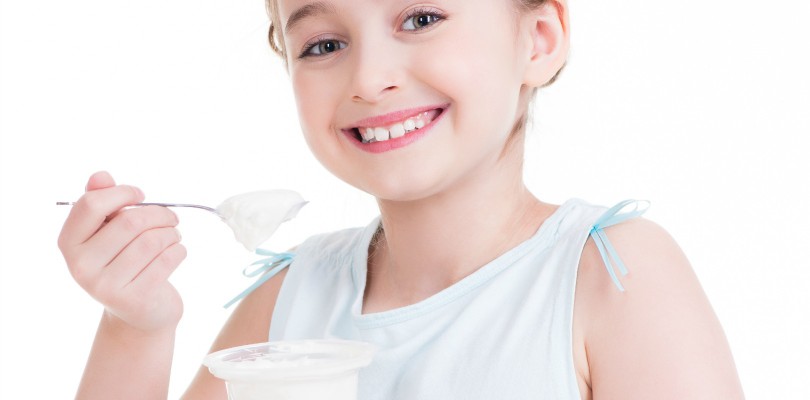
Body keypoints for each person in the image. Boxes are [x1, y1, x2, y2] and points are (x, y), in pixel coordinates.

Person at [57, 0, 745, 398]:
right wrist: (136, 326)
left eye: (420, 18)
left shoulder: (610, 277)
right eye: (324, 42)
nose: (371, 77)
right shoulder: (292, 299)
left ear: (537, 41)